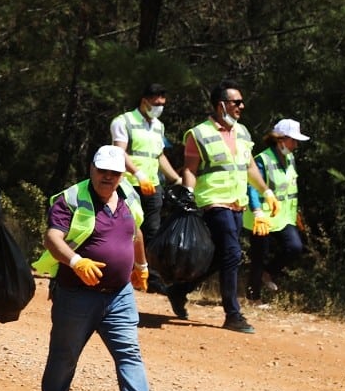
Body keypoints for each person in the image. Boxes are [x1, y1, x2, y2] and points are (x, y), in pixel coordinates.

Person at [34, 146, 172, 391]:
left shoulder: (129, 196)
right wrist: (75, 261)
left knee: (129, 352)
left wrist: (141, 265)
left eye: (114, 172)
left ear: (122, 174)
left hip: (119, 294)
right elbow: (51, 237)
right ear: (92, 169)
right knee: (65, 352)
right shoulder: (69, 198)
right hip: (76, 293)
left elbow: (136, 233)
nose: (107, 177)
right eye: (102, 171)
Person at [167, 80, 278, 333]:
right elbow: (191, 170)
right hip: (212, 202)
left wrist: (266, 191)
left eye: (241, 102)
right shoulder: (198, 134)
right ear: (221, 105)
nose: (242, 106)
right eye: (236, 102)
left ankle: (178, 290)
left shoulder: (243, 132)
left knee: (219, 257)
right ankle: (233, 314)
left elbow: (249, 167)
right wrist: (188, 195)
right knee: (232, 253)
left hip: (238, 202)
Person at [109, 83, 182, 252]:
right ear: (144, 101)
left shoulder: (159, 126)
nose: (159, 108)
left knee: (152, 231)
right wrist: (137, 173)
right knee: (127, 229)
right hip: (128, 185)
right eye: (156, 104)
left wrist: (176, 179)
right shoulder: (123, 121)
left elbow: (159, 155)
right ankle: (125, 271)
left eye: (162, 105)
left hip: (153, 186)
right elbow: (120, 152)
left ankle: (149, 275)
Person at [245, 119, 309, 302]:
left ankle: (268, 273)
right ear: (280, 140)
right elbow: (252, 187)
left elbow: (289, 188)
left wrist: (296, 213)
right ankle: (253, 297)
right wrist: (257, 211)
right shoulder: (262, 160)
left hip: (283, 216)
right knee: (259, 254)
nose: (296, 145)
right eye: (293, 140)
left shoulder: (290, 158)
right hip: (262, 216)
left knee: (295, 247)